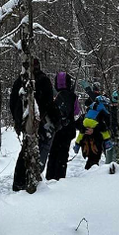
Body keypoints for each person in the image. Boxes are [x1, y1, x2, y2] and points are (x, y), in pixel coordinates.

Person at [9, 58, 61, 191]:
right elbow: (48, 103)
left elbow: (12, 103)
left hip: (28, 123)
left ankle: (20, 183)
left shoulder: (21, 81)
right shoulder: (40, 80)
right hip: (39, 124)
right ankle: (29, 182)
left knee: (26, 152)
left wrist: (18, 121)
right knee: (36, 153)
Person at [46, 71, 81, 181]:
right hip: (67, 129)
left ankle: (50, 176)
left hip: (55, 129)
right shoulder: (72, 96)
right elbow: (76, 111)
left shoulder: (53, 95)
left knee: (53, 153)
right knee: (63, 154)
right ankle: (60, 177)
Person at [74, 92, 114, 170]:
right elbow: (105, 126)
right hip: (95, 139)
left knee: (91, 158)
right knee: (94, 158)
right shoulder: (103, 111)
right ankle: (107, 142)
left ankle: (76, 145)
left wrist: (84, 129)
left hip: (86, 135)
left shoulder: (90, 109)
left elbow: (77, 124)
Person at [105, 90, 119, 166]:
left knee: (117, 149)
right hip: (110, 131)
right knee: (110, 149)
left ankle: (115, 163)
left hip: (117, 131)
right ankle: (109, 164)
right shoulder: (108, 109)